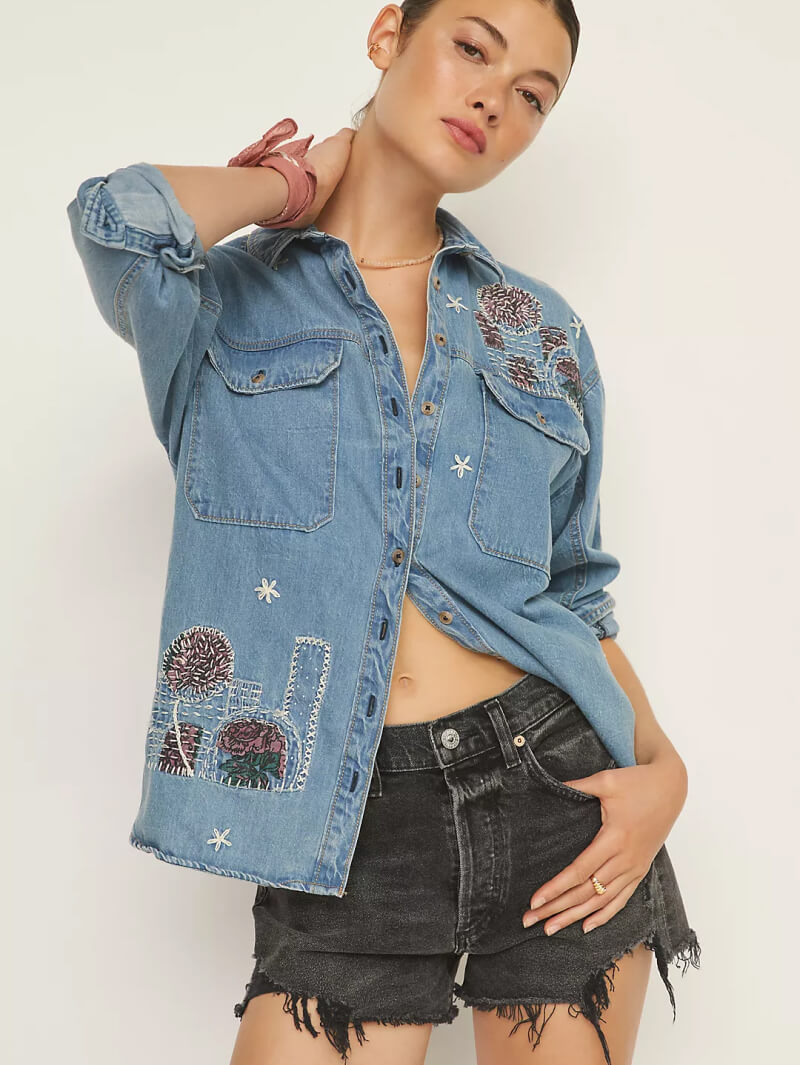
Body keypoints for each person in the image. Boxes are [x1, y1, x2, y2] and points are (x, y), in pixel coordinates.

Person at [66, 2, 701, 1063]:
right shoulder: (219, 302)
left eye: (533, 97)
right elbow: (114, 219)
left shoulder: (537, 332)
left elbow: (572, 593)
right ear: (386, 36)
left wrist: (665, 771)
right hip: (342, 816)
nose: (494, 100)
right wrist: (289, 185)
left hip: (558, 791)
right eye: (471, 48)